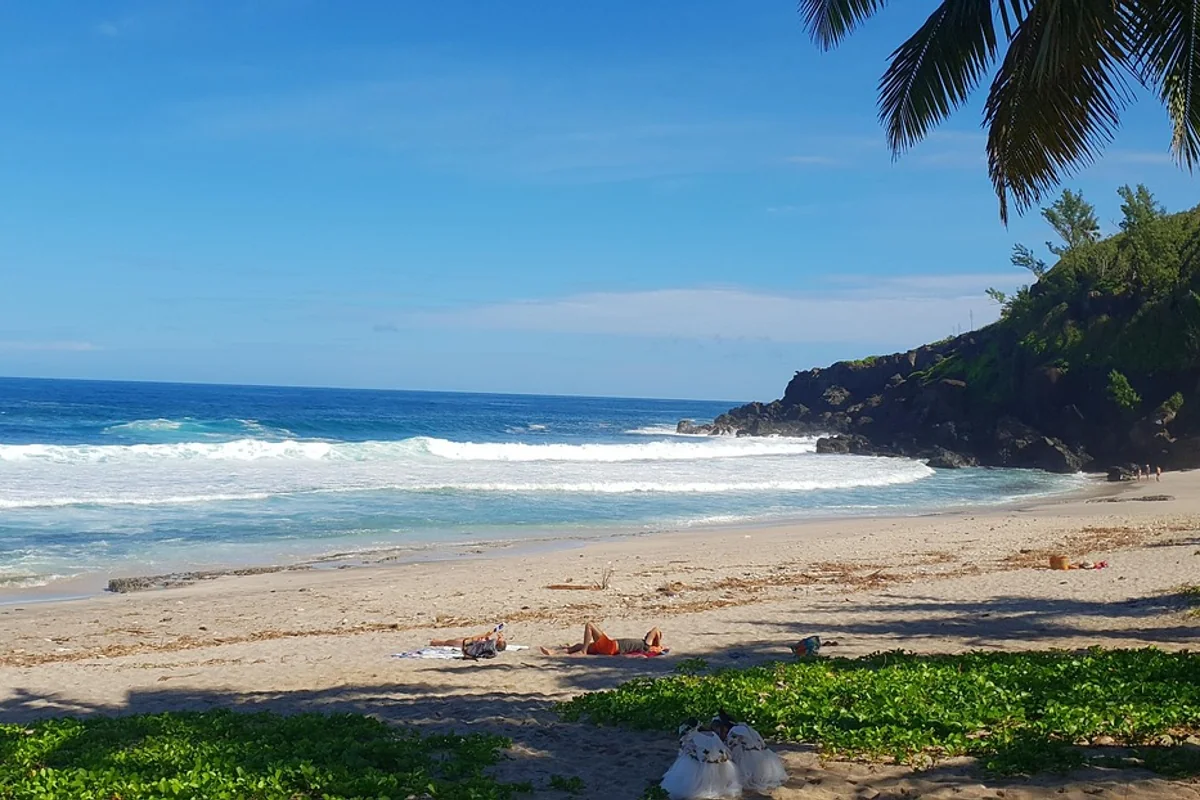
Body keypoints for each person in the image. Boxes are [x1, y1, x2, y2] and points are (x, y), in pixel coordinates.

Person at [540, 621, 663, 656]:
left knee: (590, 625)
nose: (647, 634)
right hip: (609, 647)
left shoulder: (646, 644)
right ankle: (554, 652)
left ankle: (583, 652)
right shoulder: (643, 645)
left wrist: (658, 642)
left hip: (611, 647)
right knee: (577, 646)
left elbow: (656, 629)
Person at [430, 624, 506, 651]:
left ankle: (434, 642)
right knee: (451, 642)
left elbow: (475, 639)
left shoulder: (490, 644)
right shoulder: (491, 646)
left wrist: (488, 634)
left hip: (468, 645)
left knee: (448, 642)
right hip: (470, 644)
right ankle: (436, 642)